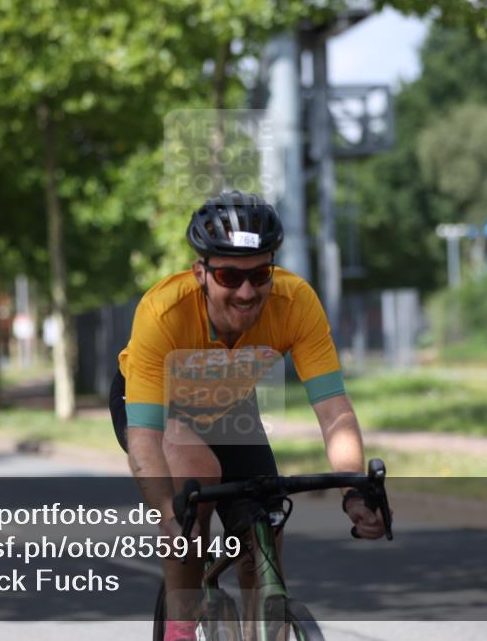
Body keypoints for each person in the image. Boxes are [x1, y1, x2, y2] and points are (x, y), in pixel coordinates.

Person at [110, 191, 385, 641]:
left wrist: (354, 490)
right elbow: (144, 437)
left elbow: (334, 411)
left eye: (260, 275)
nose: (246, 291)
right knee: (195, 483)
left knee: (264, 533)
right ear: (201, 272)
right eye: (228, 275)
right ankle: (179, 630)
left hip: (229, 404)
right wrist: (167, 512)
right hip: (160, 407)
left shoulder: (295, 303)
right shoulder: (163, 312)